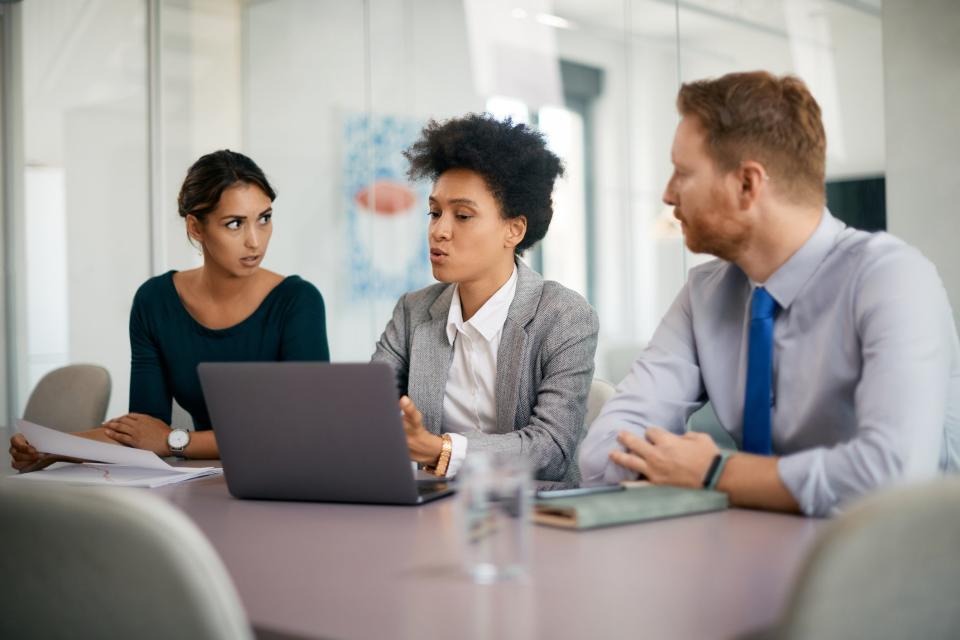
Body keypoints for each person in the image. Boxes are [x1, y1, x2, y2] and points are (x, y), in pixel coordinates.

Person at [579, 71, 960, 516]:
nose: (667, 194)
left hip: (897, 563)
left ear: (747, 184)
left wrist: (716, 473)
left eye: (682, 173)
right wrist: (683, 467)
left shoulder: (891, 277)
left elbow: (893, 477)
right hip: (751, 553)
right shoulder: (705, 293)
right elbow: (603, 449)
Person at [10, 150, 329, 469]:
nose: (255, 241)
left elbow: (303, 431)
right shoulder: (155, 301)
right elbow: (143, 432)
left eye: (264, 218)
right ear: (195, 228)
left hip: (290, 481)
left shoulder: (298, 302)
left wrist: (175, 440)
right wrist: (50, 450)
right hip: (206, 482)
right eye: (235, 224)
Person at [372, 114, 599, 482]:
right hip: (434, 514)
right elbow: (367, 411)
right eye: (434, 213)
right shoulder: (413, 311)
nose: (439, 231)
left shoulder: (564, 316)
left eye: (462, 215)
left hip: (537, 521)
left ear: (514, 229)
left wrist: (441, 450)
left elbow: (552, 450)